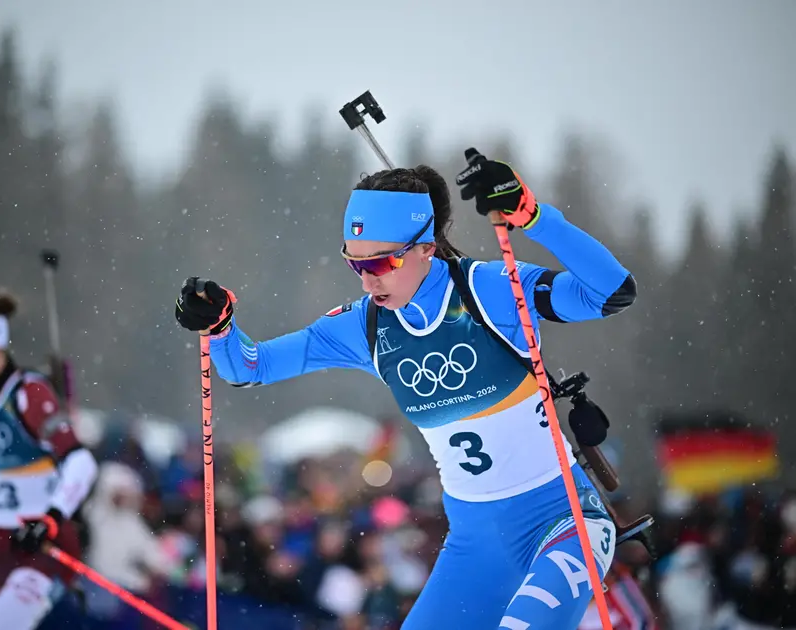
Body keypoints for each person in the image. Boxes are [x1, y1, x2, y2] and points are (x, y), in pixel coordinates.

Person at [175, 148, 637, 629]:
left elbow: (610, 293)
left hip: (563, 525)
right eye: (356, 266)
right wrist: (221, 326)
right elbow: (252, 366)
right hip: (475, 547)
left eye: (380, 264)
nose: (367, 282)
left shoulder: (489, 290)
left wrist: (532, 216)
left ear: (426, 247)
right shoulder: (365, 327)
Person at [0, 293, 99, 629]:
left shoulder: (29, 394)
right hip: (1, 547)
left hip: (45, 546)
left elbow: (82, 463)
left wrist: (49, 519)